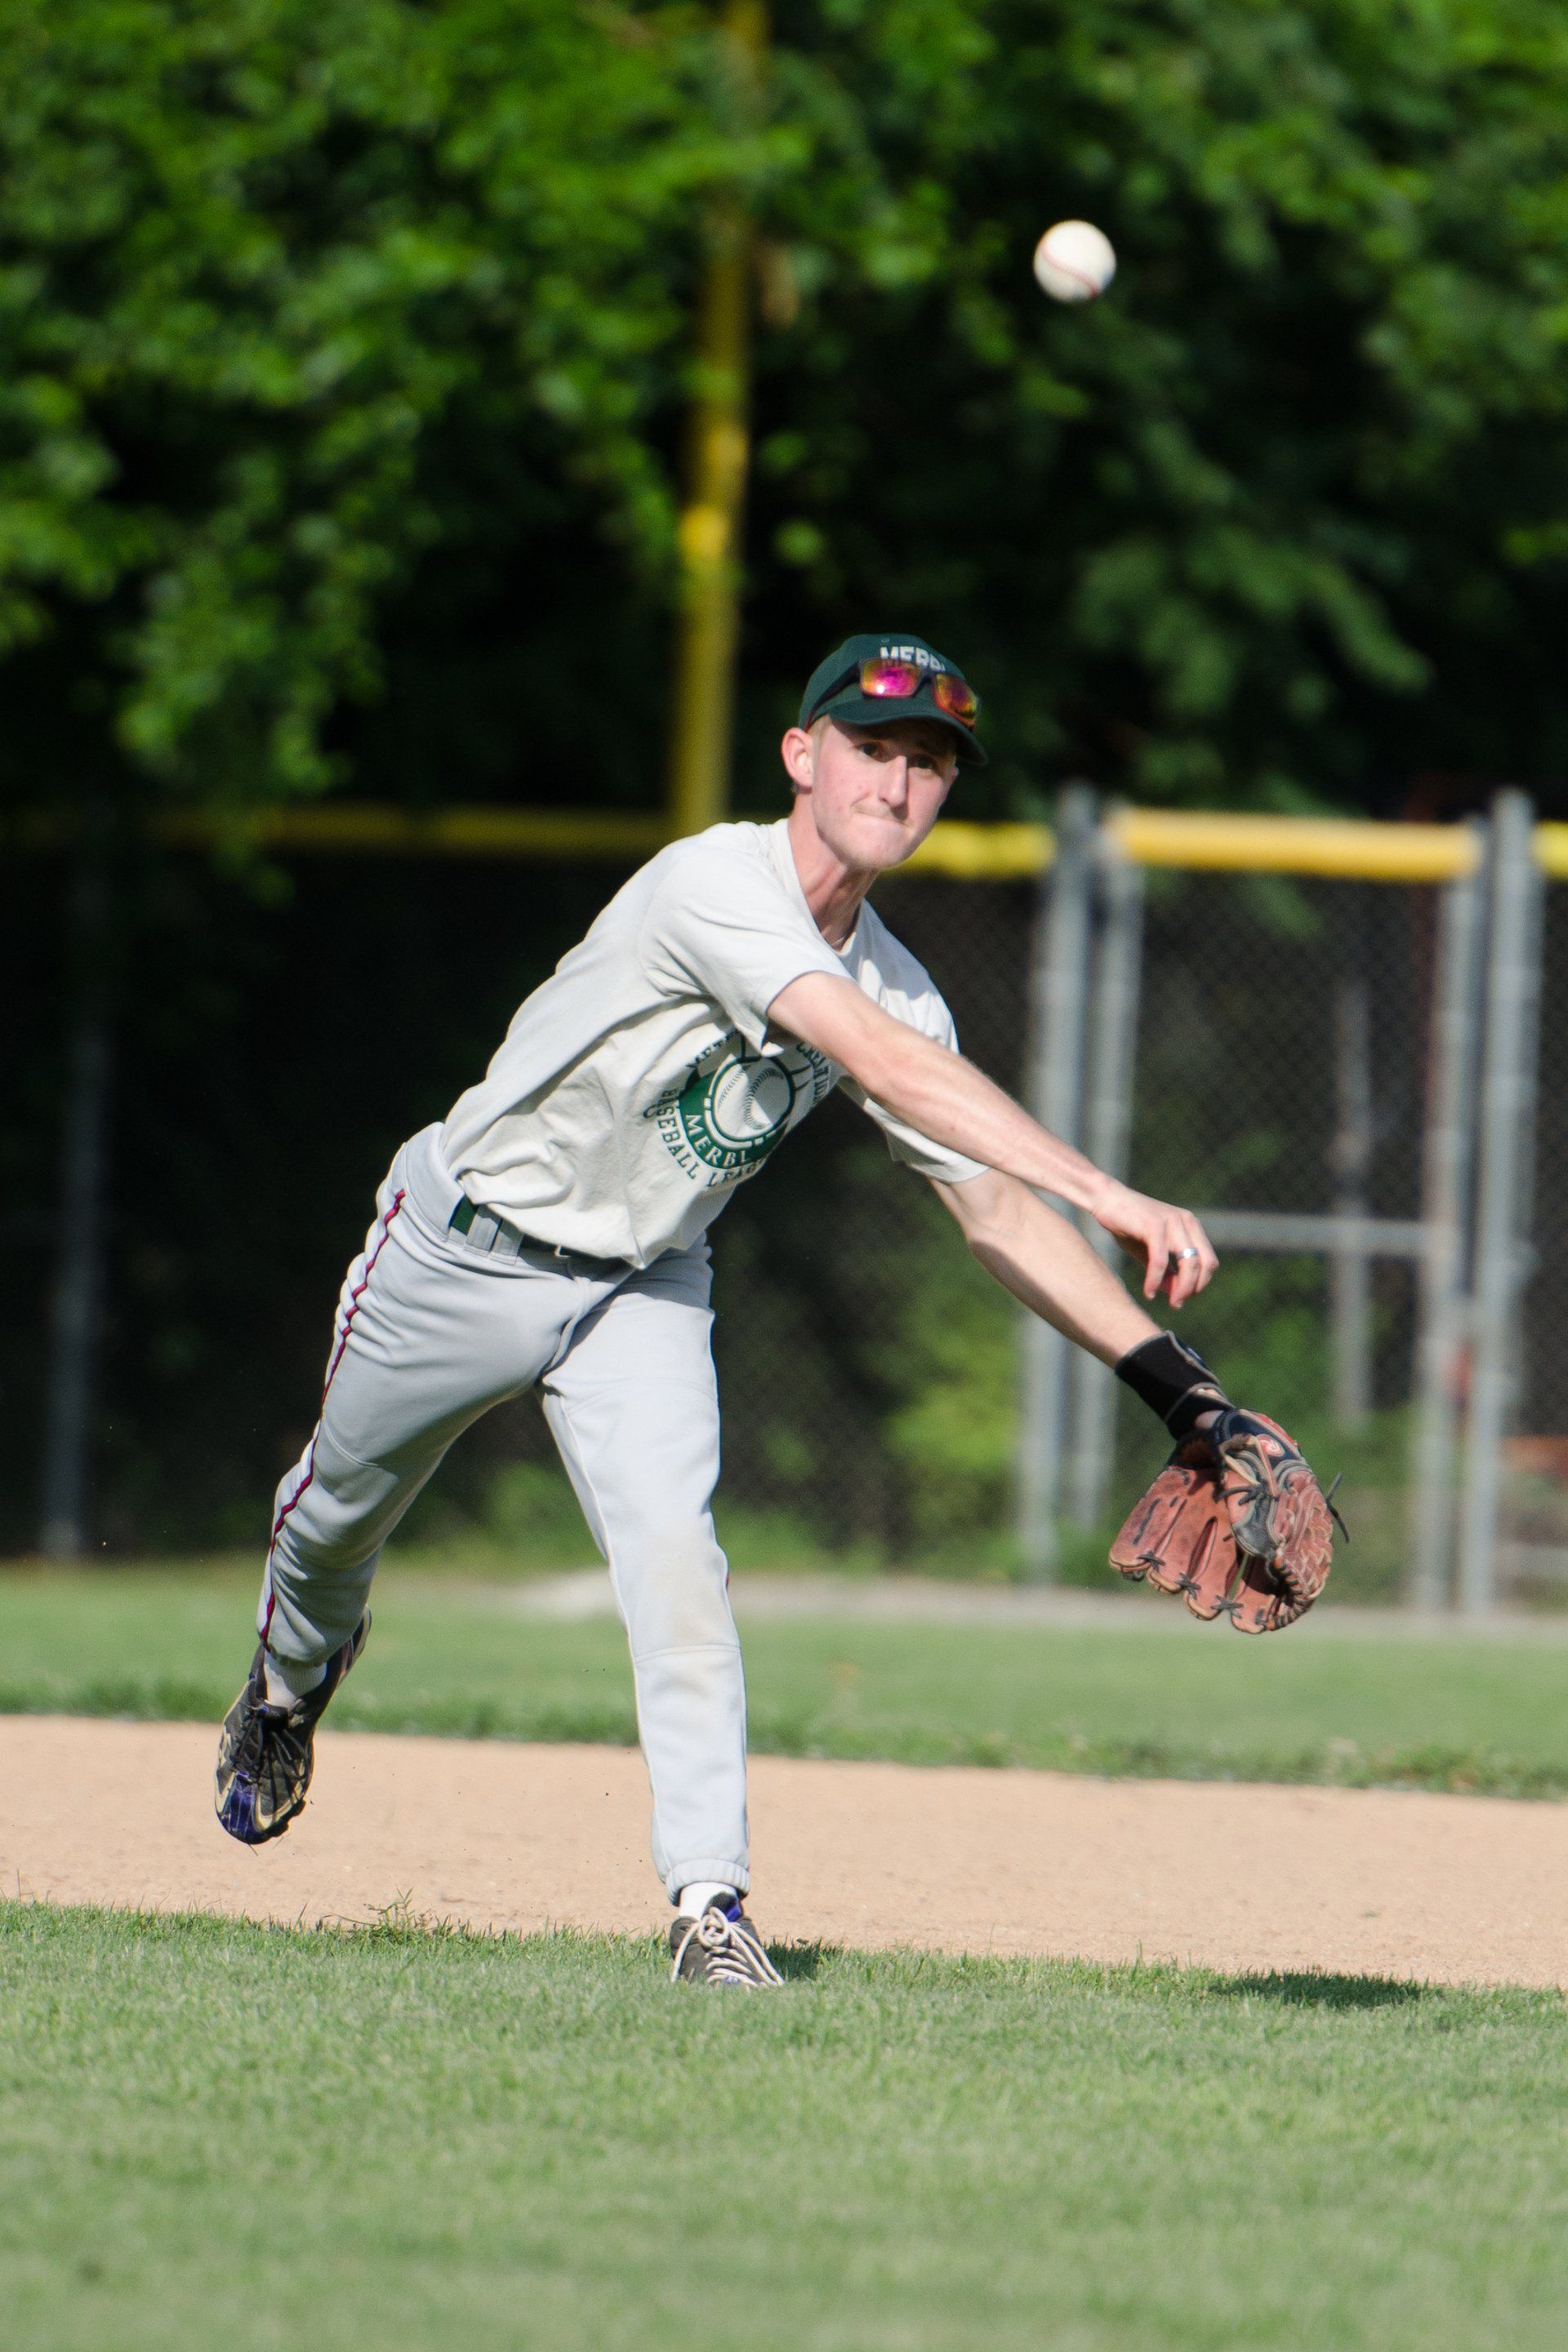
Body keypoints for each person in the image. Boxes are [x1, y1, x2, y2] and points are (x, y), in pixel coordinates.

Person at [215, 630, 1236, 1989]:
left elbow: (992, 1209)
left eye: (932, 763)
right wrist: (1110, 1187)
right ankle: (288, 1687)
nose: (902, 780)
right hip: (467, 1247)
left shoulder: (901, 987)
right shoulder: (716, 881)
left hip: (643, 1279)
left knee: (679, 1564)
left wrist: (1183, 1391)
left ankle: (711, 1907)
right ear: (800, 758)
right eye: (874, 747)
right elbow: (861, 1053)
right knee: (337, 1515)